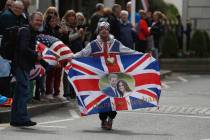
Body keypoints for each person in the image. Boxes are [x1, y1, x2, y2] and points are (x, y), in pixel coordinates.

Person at [74, 21, 140, 130]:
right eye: (101, 29)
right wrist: (71, 57)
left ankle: (111, 119)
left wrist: (142, 55)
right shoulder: (93, 44)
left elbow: (129, 52)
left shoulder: (116, 43)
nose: (104, 30)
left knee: (114, 99)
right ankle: (103, 119)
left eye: (106, 29)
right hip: (99, 78)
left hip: (113, 77)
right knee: (102, 100)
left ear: (109, 31)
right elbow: (82, 54)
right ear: (99, 31)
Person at [10, 11, 43, 127]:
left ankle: (15, 119)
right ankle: (23, 118)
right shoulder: (26, 31)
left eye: (40, 20)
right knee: (23, 92)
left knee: (19, 93)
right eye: (37, 20)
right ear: (30, 20)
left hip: (23, 65)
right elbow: (23, 49)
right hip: (21, 65)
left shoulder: (30, 31)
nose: (39, 22)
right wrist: (35, 54)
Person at [43, 7, 65, 101]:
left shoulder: (59, 29)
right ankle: (48, 92)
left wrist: (65, 33)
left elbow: (64, 42)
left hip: (59, 54)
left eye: (55, 14)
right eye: (50, 13)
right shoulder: (45, 28)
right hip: (49, 54)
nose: (52, 16)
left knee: (58, 74)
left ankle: (57, 93)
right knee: (50, 74)